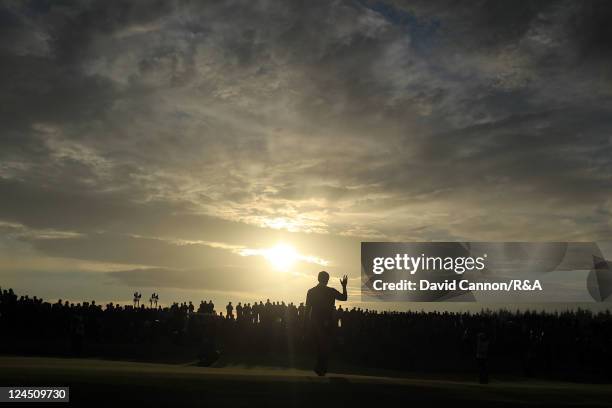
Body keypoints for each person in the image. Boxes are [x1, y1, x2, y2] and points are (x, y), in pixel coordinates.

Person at [305, 271, 348, 376]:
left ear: (318, 278)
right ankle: (321, 366)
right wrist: (344, 286)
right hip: (326, 322)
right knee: (323, 345)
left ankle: (320, 366)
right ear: (327, 280)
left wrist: (305, 322)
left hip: (316, 322)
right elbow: (344, 298)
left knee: (319, 344)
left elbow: (307, 309)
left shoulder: (311, 291)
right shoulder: (330, 291)